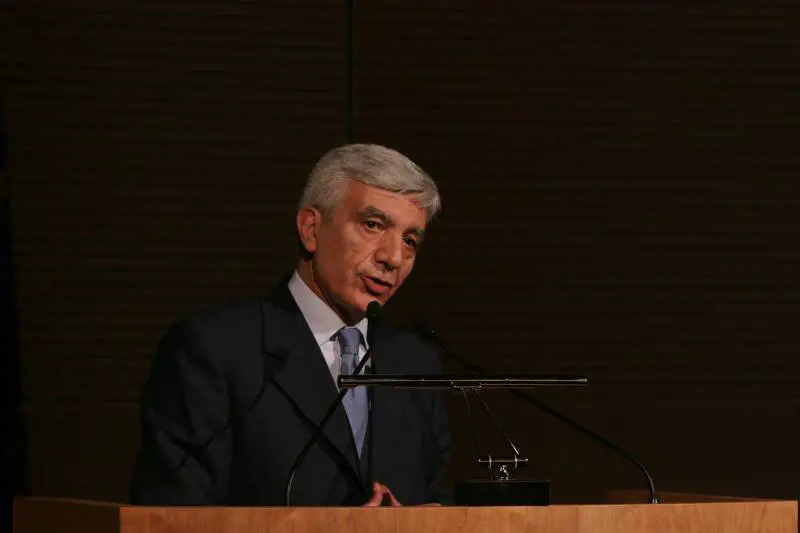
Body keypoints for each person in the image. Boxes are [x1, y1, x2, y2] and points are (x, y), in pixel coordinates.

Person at [130, 143, 451, 506]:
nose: (393, 257)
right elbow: (171, 515)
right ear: (311, 229)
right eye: (373, 225)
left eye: (410, 241)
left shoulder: (415, 365)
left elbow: (437, 503)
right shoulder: (215, 349)